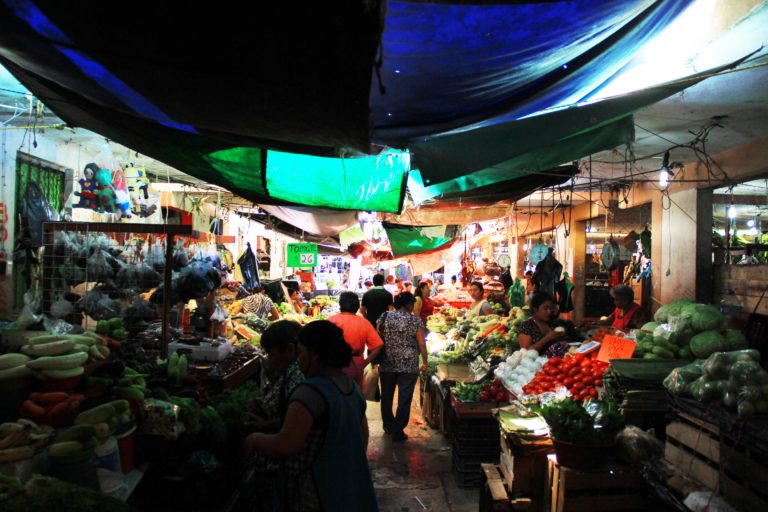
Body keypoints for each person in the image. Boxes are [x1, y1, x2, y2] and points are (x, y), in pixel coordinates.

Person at [244, 321, 378, 511]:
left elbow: (286, 444)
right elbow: (363, 437)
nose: (298, 360)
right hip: (346, 484)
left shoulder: (309, 392)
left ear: (314, 355)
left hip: (314, 489)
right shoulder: (351, 387)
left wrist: (255, 439)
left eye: (301, 352)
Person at [377, 292, 428, 442]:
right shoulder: (415, 321)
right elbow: (421, 343)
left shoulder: (385, 316)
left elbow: (377, 334)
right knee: (404, 398)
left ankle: (388, 425)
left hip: (388, 362)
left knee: (386, 396)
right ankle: (398, 430)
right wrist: (425, 361)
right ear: (408, 305)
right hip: (409, 363)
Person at [248, 321, 304, 432]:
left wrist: (264, 425)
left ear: (290, 349)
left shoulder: (297, 376)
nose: (269, 359)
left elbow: (294, 423)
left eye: (271, 354)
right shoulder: (290, 370)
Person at [329, 292, 384, 388]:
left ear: (341, 304)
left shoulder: (331, 320)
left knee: (335, 393)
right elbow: (378, 345)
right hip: (356, 363)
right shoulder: (364, 322)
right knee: (354, 394)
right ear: (357, 306)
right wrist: (365, 362)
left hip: (333, 362)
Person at [516, 291, 568, 358]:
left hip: (554, 363)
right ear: (535, 309)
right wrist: (547, 338)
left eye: (551, 308)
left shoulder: (551, 323)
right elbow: (525, 352)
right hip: (536, 365)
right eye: (545, 308)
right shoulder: (526, 326)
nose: (549, 312)